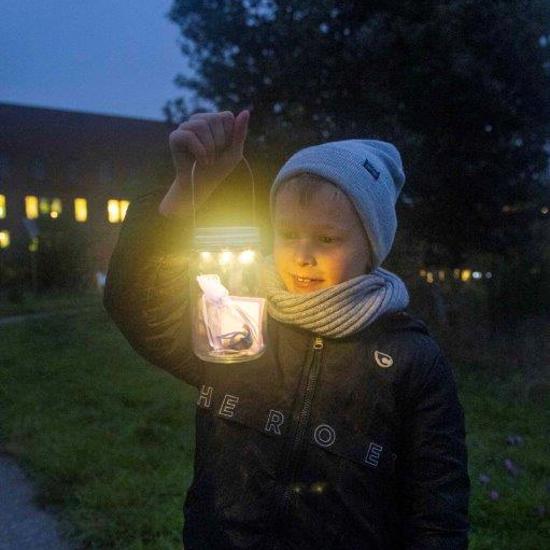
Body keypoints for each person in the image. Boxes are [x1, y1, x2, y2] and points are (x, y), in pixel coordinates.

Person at [103, 110, 470, 549]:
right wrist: (186, 189)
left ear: (371, 245)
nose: (302, 255)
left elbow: (438, 512)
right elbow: (136, 306)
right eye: (287, 234)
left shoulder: (411, 359)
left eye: (327, 239)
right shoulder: (238, 320)